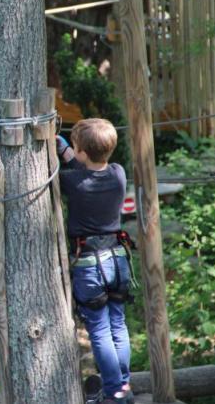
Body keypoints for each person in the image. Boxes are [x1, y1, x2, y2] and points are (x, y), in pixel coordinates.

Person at [57, 118, 134, 404]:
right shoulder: (118, 173)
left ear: (83, 153)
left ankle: (115, 393)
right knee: (118, 325)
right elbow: (85, 166)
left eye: (76, 147)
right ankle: (123, 387)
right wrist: (66, 146)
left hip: (90, 264)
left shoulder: (72, 182)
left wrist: (63, 151)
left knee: (100, 331)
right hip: (118, 259)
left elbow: (76, 171)